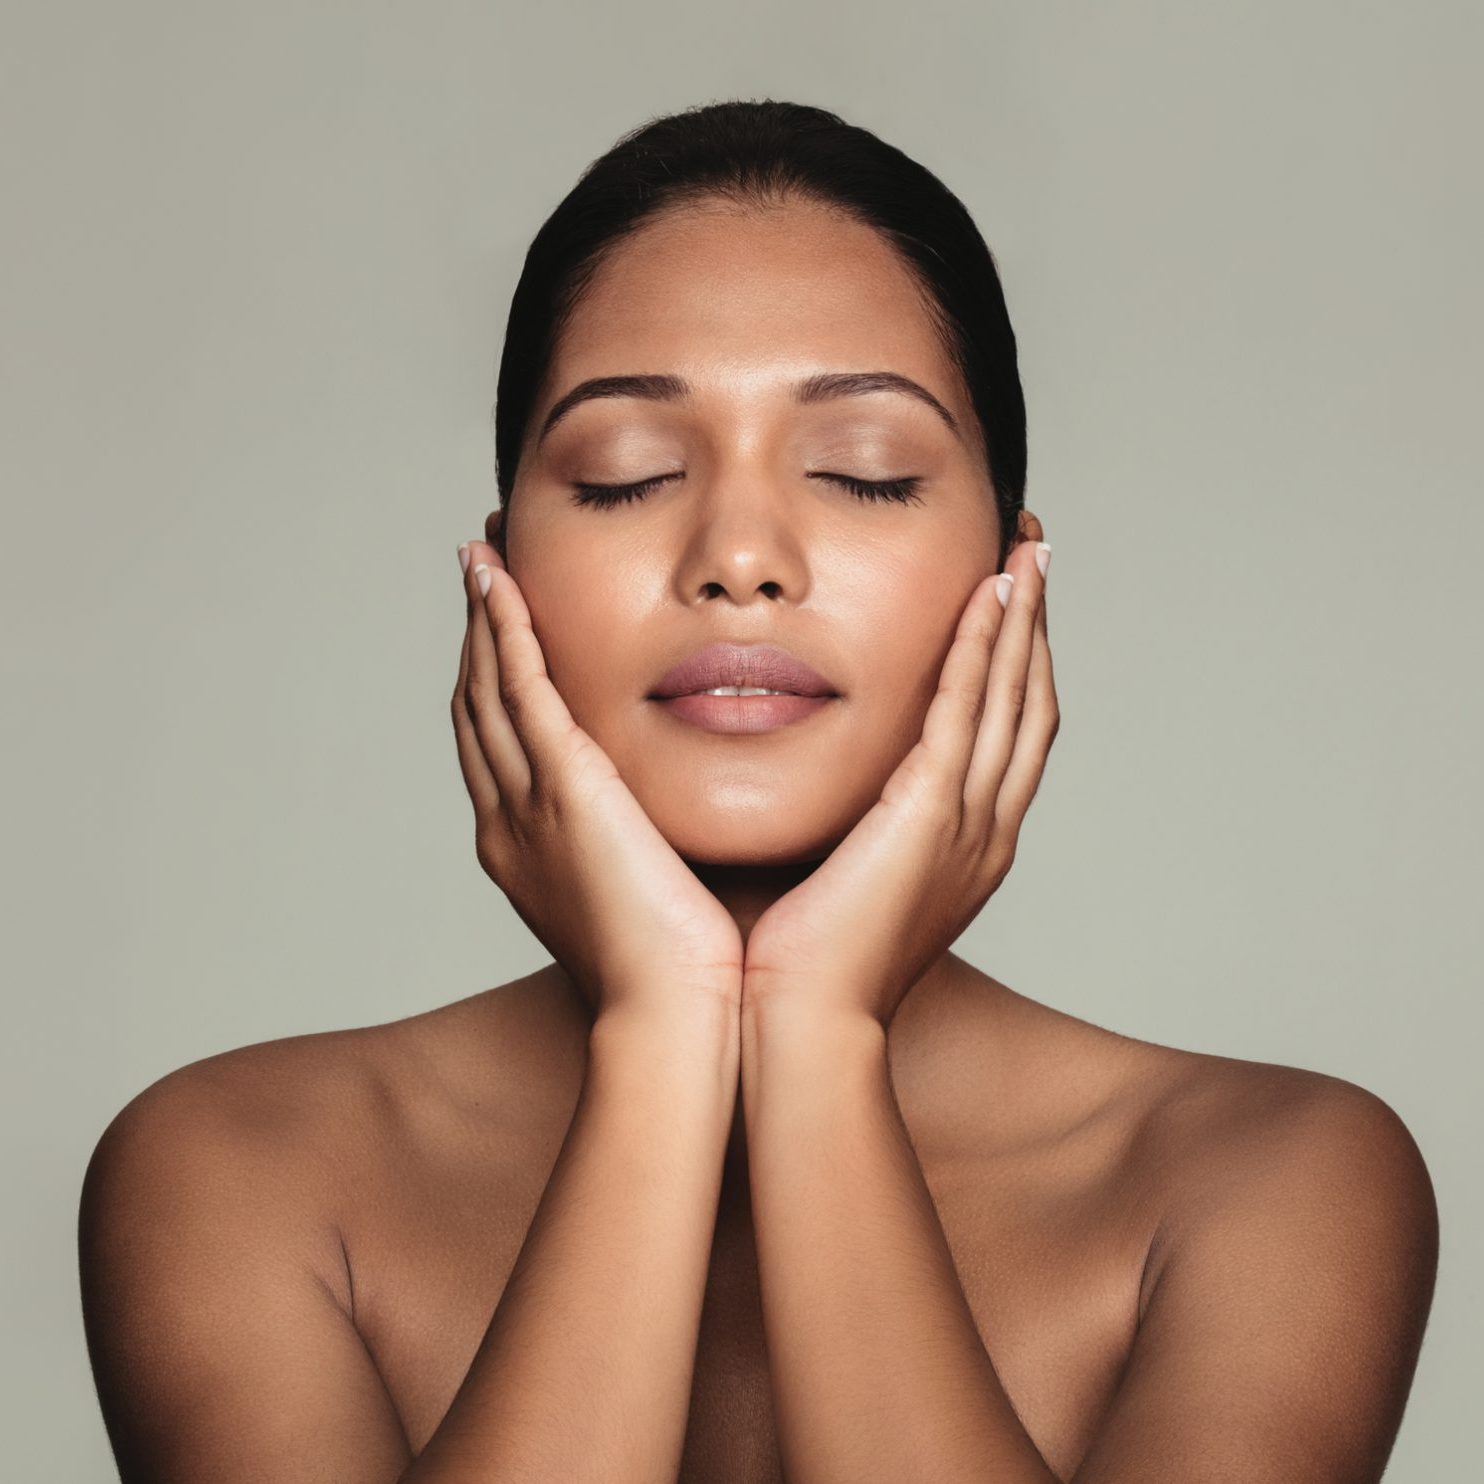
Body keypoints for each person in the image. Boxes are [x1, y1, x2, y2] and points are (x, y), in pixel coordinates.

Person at [77, 99, 1438, 1483]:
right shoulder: (234, 1173)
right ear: (500, 578)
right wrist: (664, 1030)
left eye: (867, 473)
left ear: (1012, 580)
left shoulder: (1270, 1186)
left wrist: (822, 1034)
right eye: (626, 479)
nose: (738, 555)